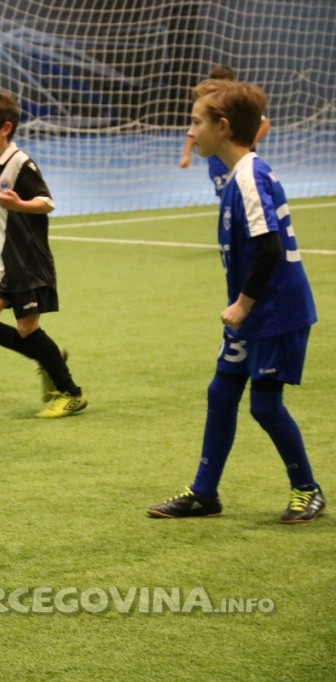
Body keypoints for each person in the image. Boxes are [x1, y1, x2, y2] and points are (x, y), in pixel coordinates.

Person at [148, 80, 324, 523]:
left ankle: (308, 489)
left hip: (276, 312)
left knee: (265, 405)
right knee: (221, 392)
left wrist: (243, 305)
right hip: (255, 312)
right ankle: (205, 493)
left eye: (196, 122)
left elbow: (269, 249)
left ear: (222, 127)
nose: (191, 131)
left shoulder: (249, 176)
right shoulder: (235, 176)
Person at [0, 90, 86, 418]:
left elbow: (47, 203)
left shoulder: (20, 163)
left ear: (4, 128)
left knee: (26, 328)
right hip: (4, 263)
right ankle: (49, 358)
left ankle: (71, 393)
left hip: (28, 262)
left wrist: (20, 203)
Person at [179, 65, 271, 198]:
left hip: (237, 158)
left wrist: (250, 142)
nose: (191, 132)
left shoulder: (237, 108)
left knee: (240, 193)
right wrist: (186, 155)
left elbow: (265, 123)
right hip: (218, 160)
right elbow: (195, 132)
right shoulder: (209, 108)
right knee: (229, 197)